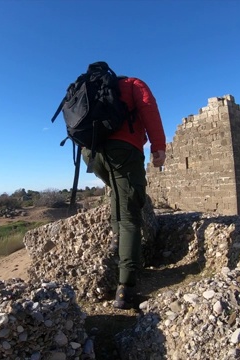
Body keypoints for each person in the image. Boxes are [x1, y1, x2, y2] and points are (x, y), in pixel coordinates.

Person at [82, 71, 166, 309]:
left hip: (91, 152)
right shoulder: (133, 84)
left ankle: (117, 239)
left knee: (117, 193)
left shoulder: (91, 89)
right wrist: (158, 146)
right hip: (124, 150)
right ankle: (126, 289)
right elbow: (149, 108)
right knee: (131, 213)